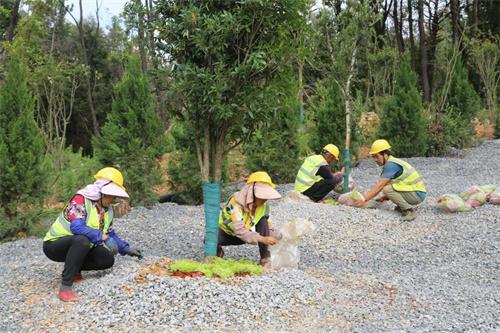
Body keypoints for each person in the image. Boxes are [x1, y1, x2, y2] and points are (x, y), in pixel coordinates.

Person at [43, 167, 142, 302]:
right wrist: (102, 237)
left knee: (107, 259)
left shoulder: (108, 210)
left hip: (78, 246)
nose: (113, 199)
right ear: (101, 192)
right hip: (54, 245)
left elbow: (110, 232)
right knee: (82, 240)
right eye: (111, 195)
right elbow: (77, 227)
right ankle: (65, 287)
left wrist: (126, 248)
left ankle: (73, 268)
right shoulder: (80, 200)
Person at [217, 171, 282, 267]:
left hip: (246, 236)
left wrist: (282, 235)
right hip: (227, 233)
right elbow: (239, 230)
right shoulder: (236, 203)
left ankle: (265, 258)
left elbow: (269, 228)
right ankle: (218, 254)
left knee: (263, 221)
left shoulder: (264, 207)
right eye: (262, 196)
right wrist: (262, 238)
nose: (265, 199)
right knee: (210, 239)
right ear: (251, 192)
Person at [356, 139, 426, 221]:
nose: (375, 159)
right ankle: (403, 207)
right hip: (416, 192)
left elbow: (380, 186)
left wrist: (363, 199)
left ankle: (409, 211)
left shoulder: (390, 165)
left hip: (417, 194)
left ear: (385, 154)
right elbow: (396, 187)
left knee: (386, 188)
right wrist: (382, 198)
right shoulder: (392, 163)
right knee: (388, 187)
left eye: (377, 156)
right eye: (373, 157)